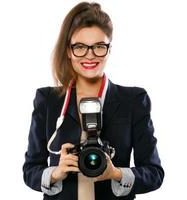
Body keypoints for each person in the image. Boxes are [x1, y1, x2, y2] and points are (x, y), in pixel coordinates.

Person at [22, 2, 164, 200]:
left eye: (99, 46)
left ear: (109, 49)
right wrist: (56, 173)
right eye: (80, 47)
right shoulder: (48, 101)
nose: (90, 55)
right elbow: (30, 170)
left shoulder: (133, 100)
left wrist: (116, 174)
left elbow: (154, 173)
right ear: (69, 51)